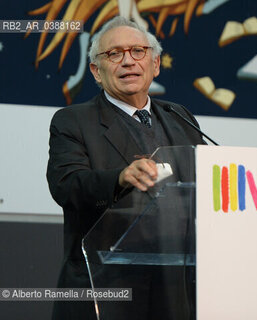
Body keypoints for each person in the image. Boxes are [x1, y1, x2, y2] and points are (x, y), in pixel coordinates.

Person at [47, 16, 204, 319]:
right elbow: (67, 185)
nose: (128, 61)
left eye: (138, 51)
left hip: (174, 293)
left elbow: (201, 184)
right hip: (106, 289)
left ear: (155, 64)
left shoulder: (179, 116)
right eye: (114, 54)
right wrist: (119, 180)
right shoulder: (72, 121)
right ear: (96, 70)